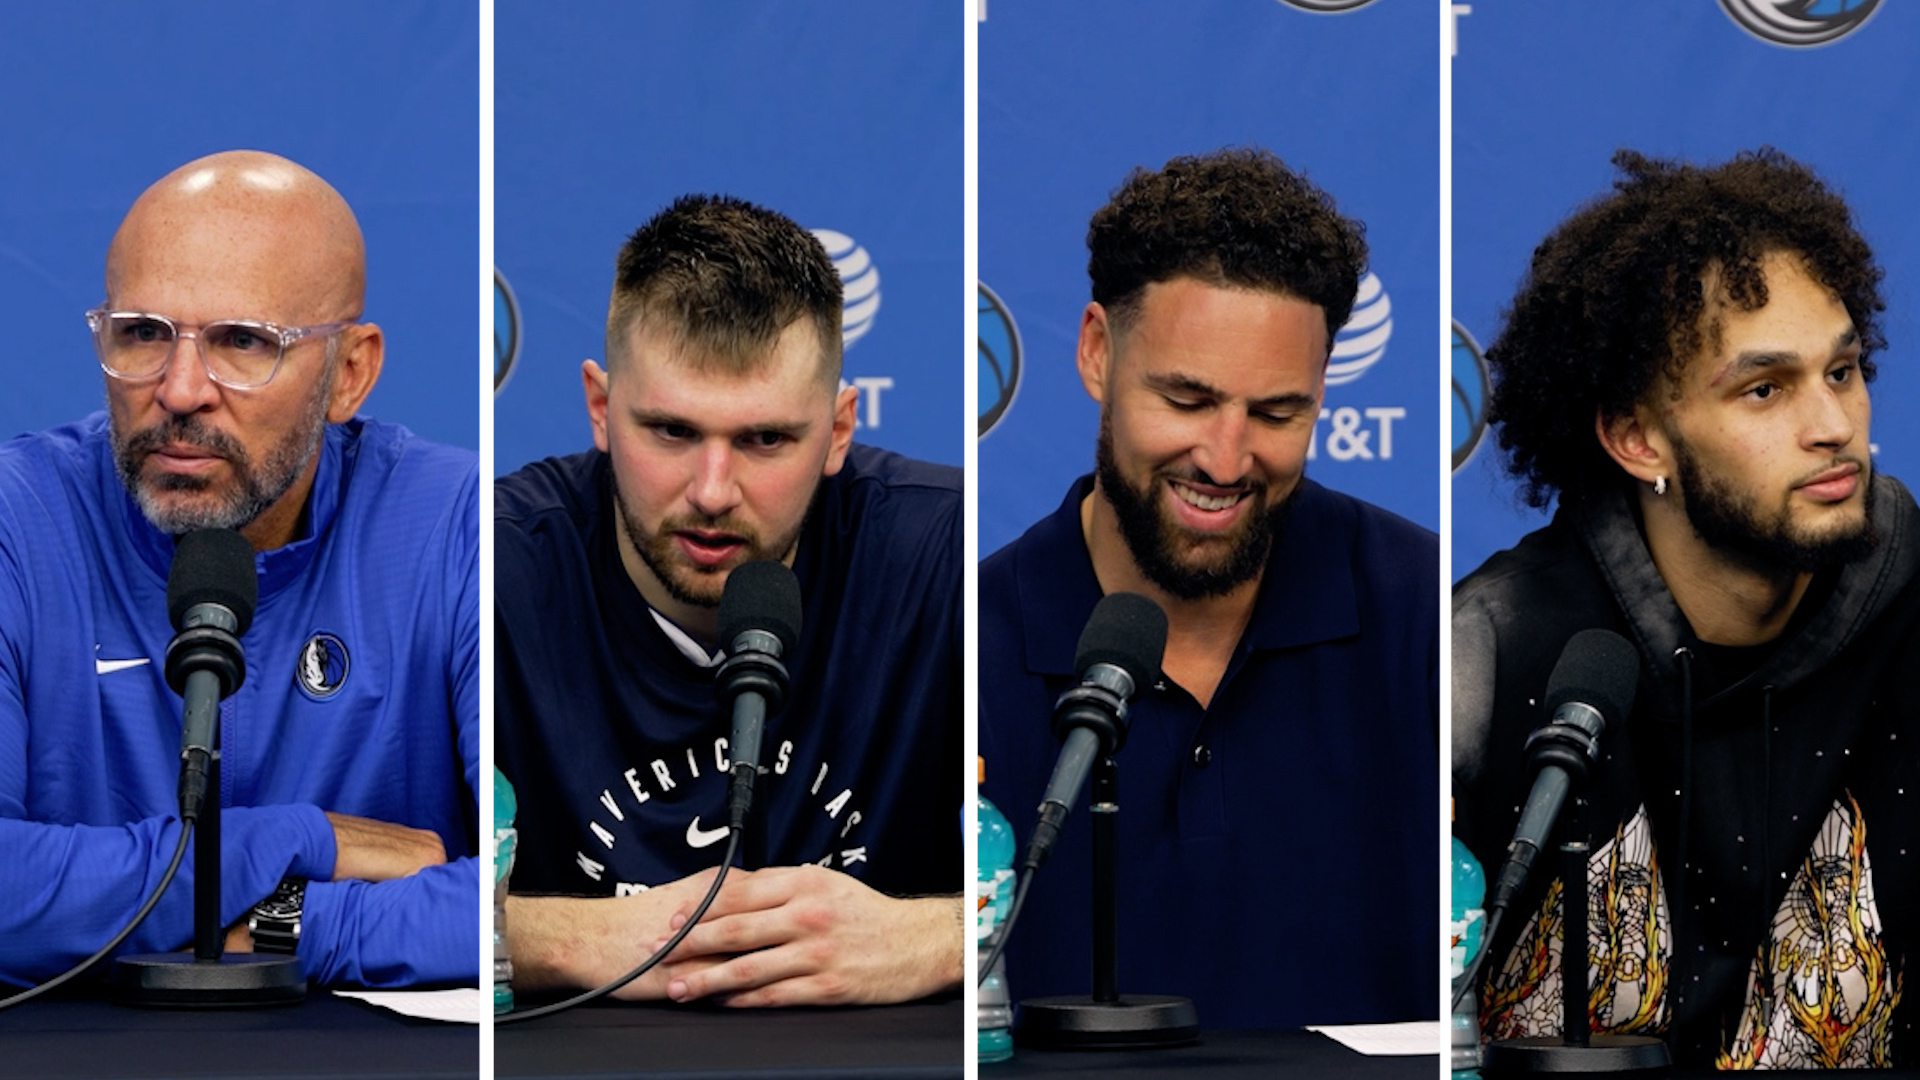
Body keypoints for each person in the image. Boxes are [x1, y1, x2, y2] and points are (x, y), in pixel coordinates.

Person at [1454, 148, 1920, 1069]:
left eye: (1842, 371)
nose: (1833, 425)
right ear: (1637, 438)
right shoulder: (1497, 653)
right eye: (1764, 389)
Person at [977, 148, 1439, 1029]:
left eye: (1276, 413)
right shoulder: (974, 642)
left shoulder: (1428, 619)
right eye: (1186, 401)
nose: (1226, 462)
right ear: (1095, 353)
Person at [0, 151, 478, 989]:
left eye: (245, 343)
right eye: (142, 334)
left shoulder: (454, 524)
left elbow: (535, 895)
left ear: (350, 373)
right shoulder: (16, 520)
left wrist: (267, 923)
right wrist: (298, 839)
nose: (181, 389)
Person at [495, 194, 963, 1008]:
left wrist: (936, 938)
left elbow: (1118, 875)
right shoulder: (490, 566)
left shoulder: (943, 558)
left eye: (765, 440)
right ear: (600, 409)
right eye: (671, 432)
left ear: (840, 429)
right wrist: (561, 938)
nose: (713, 492)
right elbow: (358, 882)